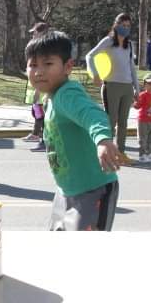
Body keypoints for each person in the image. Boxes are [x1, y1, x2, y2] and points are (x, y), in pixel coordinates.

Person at [26, 30, 121, 232]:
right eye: (33, 65)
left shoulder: (67, 94)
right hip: (66, 190)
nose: (38, 71)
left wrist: (103, 140)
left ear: (68, 67)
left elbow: (92, 114)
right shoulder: (51, 96)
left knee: (84, 253)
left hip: (93, 189)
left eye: (48, 64)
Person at [85, 13, 139, 165]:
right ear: (116, 25)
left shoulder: (129, 44)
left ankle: (120, 153)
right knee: (110, 122)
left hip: (127, 87)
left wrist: (137, 89)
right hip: (111, 86)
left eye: (128, 26)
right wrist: (95, 74)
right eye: (123, 25)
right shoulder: (108, 41)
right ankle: (105, 152)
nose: (125, 28)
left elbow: (132, 68)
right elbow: (90, 56)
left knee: (123, 123)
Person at [24, 22, 50, 151]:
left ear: (42, 33)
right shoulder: (37, 48)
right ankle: (40, 138)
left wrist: (38, 91)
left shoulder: (43, 50)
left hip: (42, 90)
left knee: (43, 116)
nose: (33, 34)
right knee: (38, 114)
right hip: (37, 89)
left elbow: (41, 71)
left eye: (35, 32)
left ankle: (44, 142)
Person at [134, 73, 151, 163]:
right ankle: (142, 155)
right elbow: (137, 106)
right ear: (144, 84)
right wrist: (135, 101)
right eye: (149, 84)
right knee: (143, 138)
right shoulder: (142, 95)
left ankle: (149, 154)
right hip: (142, 120)